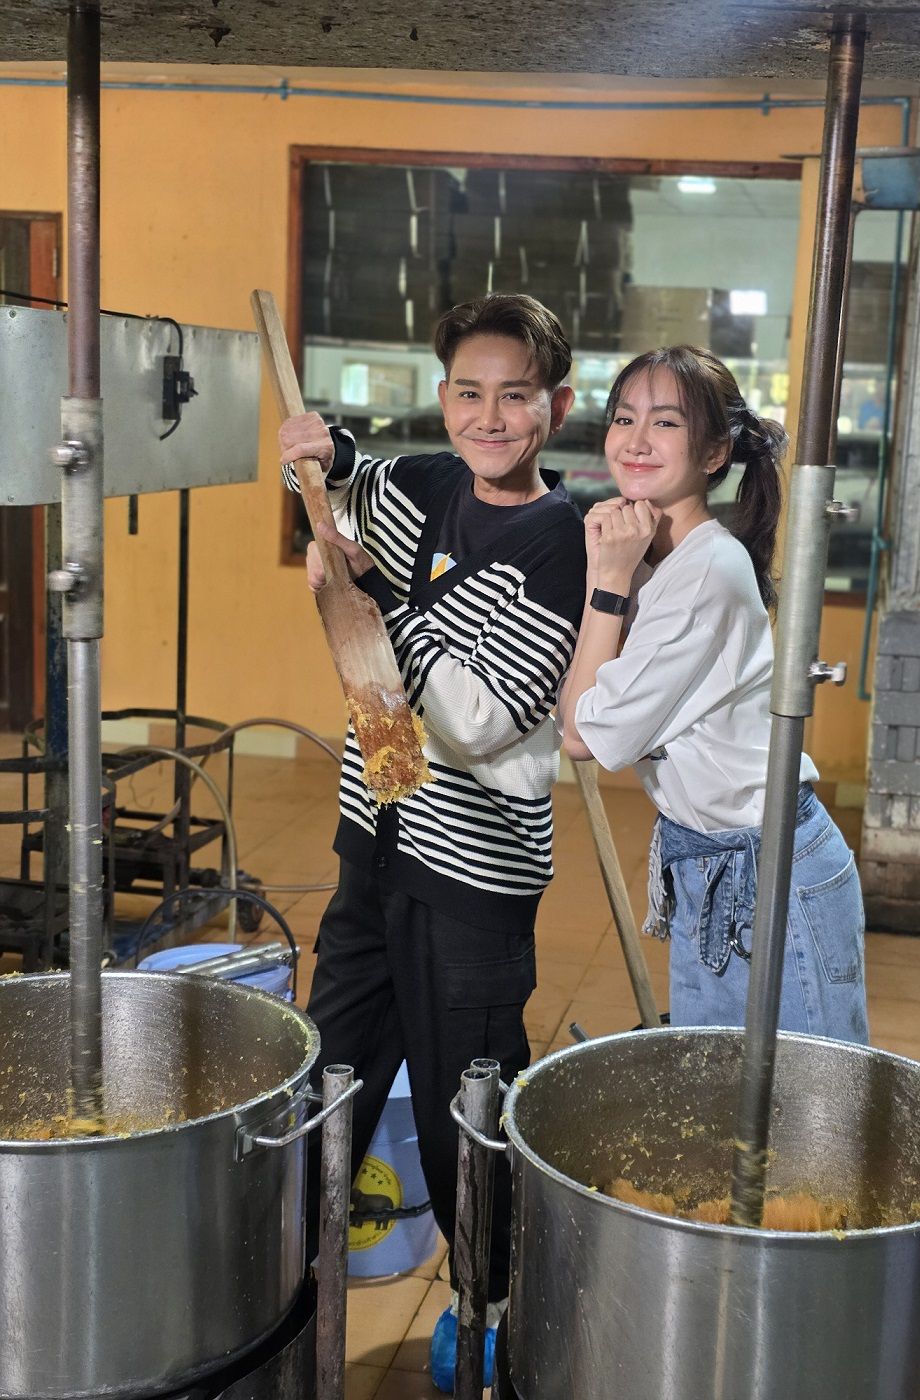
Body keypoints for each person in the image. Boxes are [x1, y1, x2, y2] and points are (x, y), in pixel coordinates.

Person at [279, 294, 586, 1390]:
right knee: (325, 1089)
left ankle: (492, 1316)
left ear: (556, 408)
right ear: (445, 396)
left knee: (471, 1126)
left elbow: (478, 718)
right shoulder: (426, 483)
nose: (488, 417)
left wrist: (374, 598)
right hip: (375, 845)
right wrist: (320, 453)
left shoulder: (561, 544)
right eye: (468, 392)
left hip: (473, 882)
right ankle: (283, 1300)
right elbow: (344, 487)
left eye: (515, 396)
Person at [558, 345, 868, 1043]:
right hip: (711, 861)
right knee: (721, 1090)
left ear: (714, 452)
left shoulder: (706, 572)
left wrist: (607, 582)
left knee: (806, 1096)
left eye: (665, 423)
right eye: (624, 418)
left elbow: (581, 737)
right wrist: (611, 572)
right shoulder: (652, 554)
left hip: (769, 872)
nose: (635, 441)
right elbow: (578, 709)